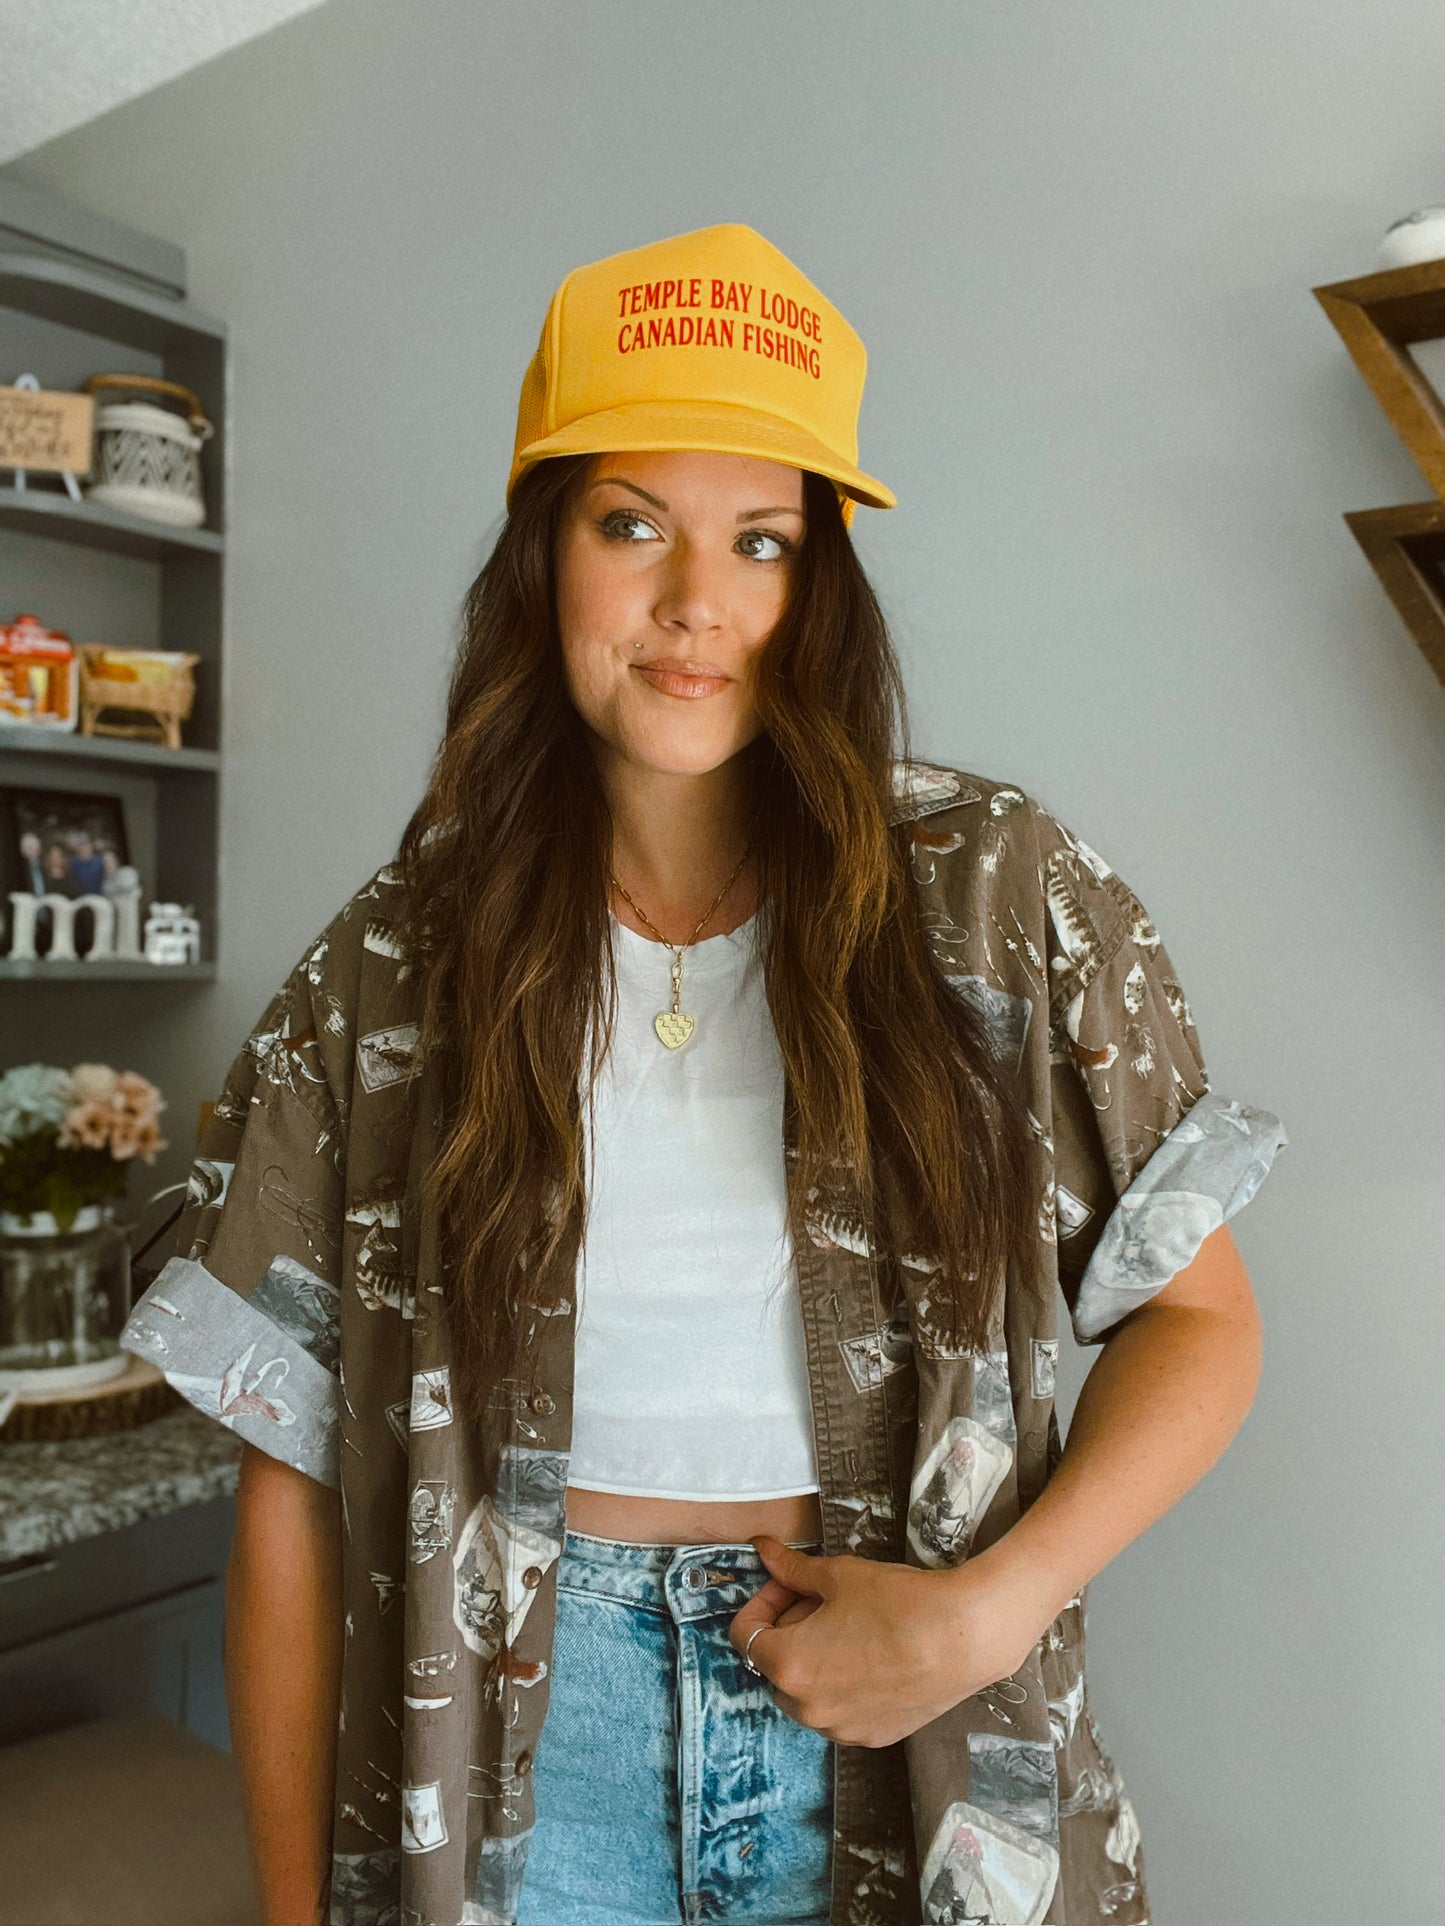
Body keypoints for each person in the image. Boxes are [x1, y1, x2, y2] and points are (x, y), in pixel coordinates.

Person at [121, 223, 1288, 1926]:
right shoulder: (393, 961)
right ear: (543, 555)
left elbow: (1202, 1320)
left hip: (901, 1720)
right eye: (630, 524)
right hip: (516, 1759)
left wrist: (986, 1611)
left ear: (818, 584)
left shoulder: (997, 895)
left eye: (760, 540)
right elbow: (288, 1488)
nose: (695, 604)